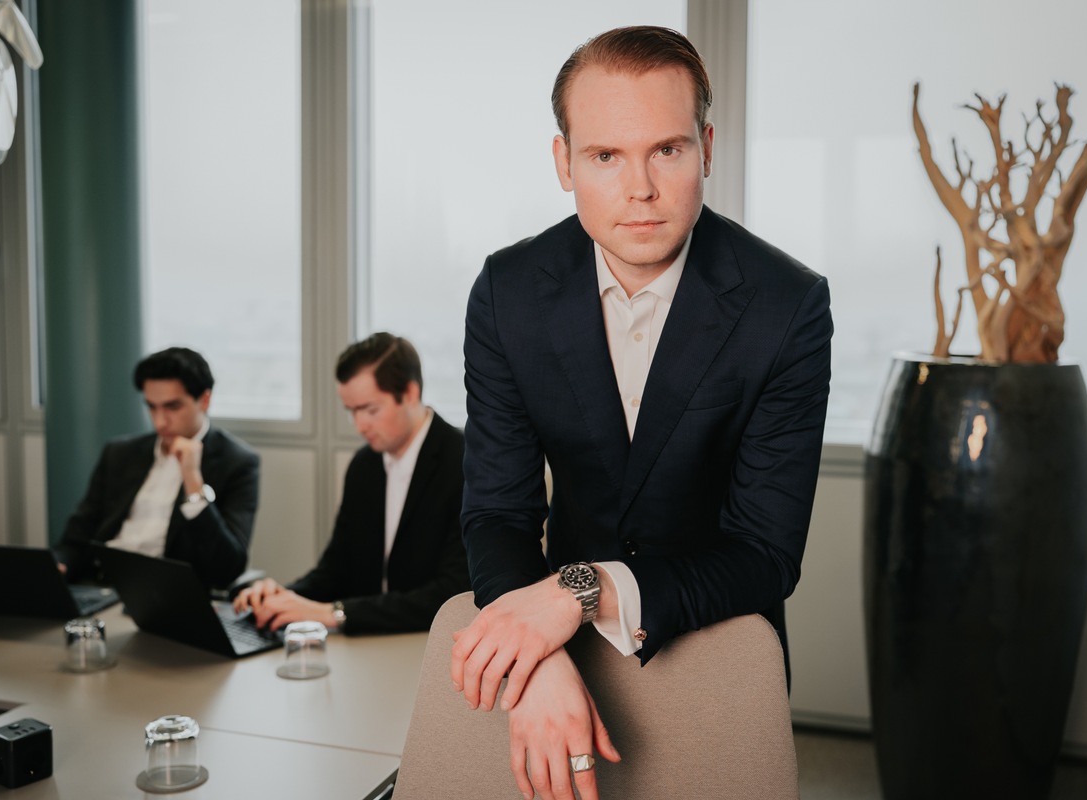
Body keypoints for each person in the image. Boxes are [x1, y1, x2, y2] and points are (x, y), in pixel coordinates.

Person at [449, 26, 833, 800]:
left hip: (719, 651)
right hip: (558, 654)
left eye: (667, 150)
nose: (642, 188)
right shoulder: (506, 293)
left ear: (707, 149)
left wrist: (578, 590)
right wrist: (538, 660)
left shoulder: (787, 304)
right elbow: (496, 512)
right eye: (605, 156)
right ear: (564, 162)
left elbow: (764, 554)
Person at [233, 332, 470, 634]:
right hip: (366, 641)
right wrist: (282, 597)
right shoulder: (365, 465)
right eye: (351, 411)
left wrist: (335, 614)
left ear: (410, 393)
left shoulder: (464, 463)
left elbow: (452, 594)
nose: (360, 426)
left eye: (370, 410)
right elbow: (335, 570)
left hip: (430, 642)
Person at [55, 347, 260, 589]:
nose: (160, 421)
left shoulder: (236, 462)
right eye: (152, 407)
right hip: (101, 584)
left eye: (173, 407)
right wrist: (59, 564)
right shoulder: (120, 453)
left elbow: (227, 567)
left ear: (204, 400)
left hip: (168, 592)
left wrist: (193, 481)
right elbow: (76, 538)